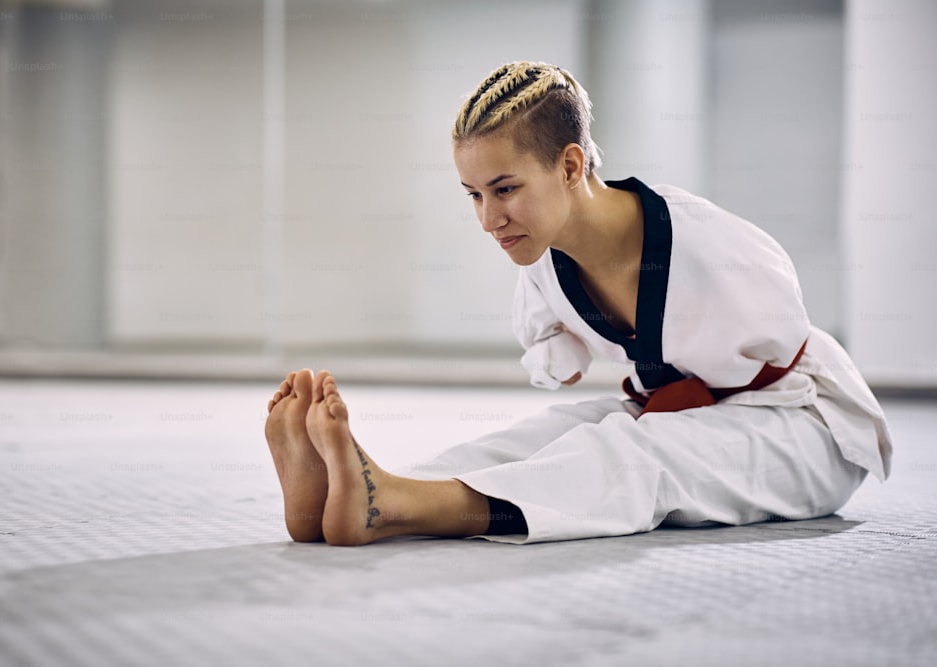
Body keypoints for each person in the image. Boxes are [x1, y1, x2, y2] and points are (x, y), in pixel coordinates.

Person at [264, 61, 892, 546]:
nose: (489, 219)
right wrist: (562, 354)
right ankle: (366, 492)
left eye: (504, 189)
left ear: (569, 166)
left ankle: (393, 505)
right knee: (542, 436)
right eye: (474, 195)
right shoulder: (542, 254)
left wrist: (652, 384)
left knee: (634, 453)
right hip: (685, 413)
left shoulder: (711, 243)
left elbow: (770, 354)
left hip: (807, 428)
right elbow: (551, 347)